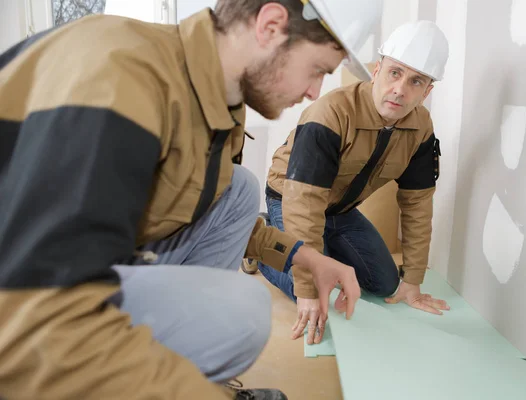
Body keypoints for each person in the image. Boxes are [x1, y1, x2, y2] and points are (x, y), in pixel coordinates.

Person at [0, 0, 383, 399]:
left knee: (238, 190)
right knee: (242, 311)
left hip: (44, 270)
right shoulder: (120, 77)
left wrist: (304, 256)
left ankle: (152, 368)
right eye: (318, 69)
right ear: (270, 26)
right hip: (20, 305)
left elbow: (200, 206)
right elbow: (35, 314)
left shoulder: (219, 101)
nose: (313, 91)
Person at [244, 20, 453, 346]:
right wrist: (309, 290)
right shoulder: (330, 114)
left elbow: (417, 204)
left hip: (340, 210)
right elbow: (304, 203)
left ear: (427, 91)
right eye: (395, 73)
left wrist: (412, 281)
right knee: (311, 288)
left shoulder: (421, 129)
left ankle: (320, 249)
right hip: (290, 199)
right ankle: (261, 239)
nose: (400, 89)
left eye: (416, 81)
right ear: (377, 70)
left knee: (385, 284)